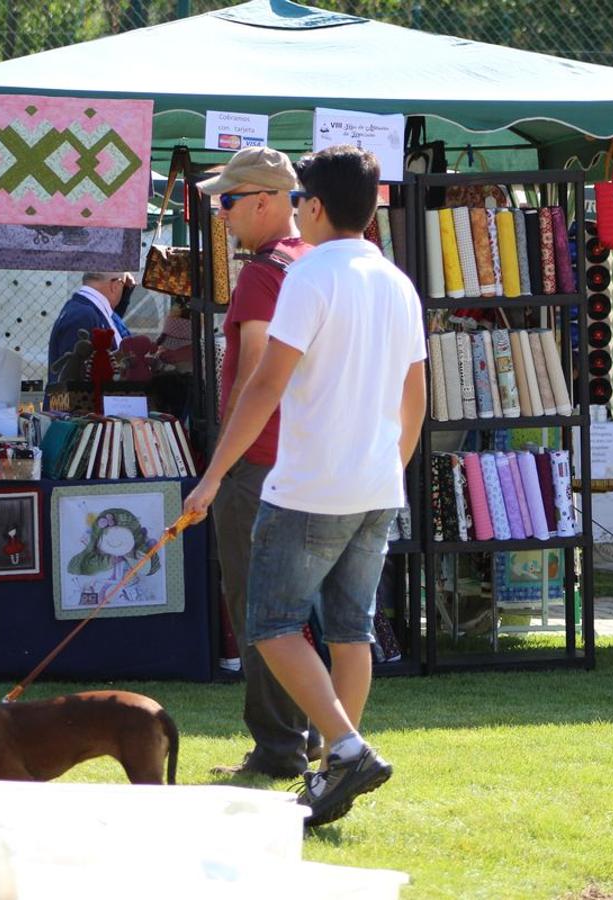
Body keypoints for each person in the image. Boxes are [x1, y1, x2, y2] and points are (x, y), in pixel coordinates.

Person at [183, 145, 427, 828]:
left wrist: (213, 475)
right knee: (350, 632)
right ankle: (330, 771)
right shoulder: (394, 280)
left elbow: (265, 383)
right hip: (377, 482)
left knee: (268, 623)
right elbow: (416, 396)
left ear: (312, 207)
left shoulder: (309, 275)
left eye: (299, 203)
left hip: (311, 482)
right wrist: (391, 466)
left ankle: (345, 749)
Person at [195, 145, 319, 779]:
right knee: (305, 610)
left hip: (260, 463)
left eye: (229, 200)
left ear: (268, 200)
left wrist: (216, 472)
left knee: (258, 608)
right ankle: (318, 737)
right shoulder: (318, 264)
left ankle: (278, 747)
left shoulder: (264, 272)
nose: (222, 215)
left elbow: (251, 378)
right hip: (313, 463)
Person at [45, 271, 134, 388]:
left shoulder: (86, 310)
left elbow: (110, 324)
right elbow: (73, 382)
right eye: (123, 285)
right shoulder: (83, 315)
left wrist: (125, 292)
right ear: (115, 286)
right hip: (85, 404)